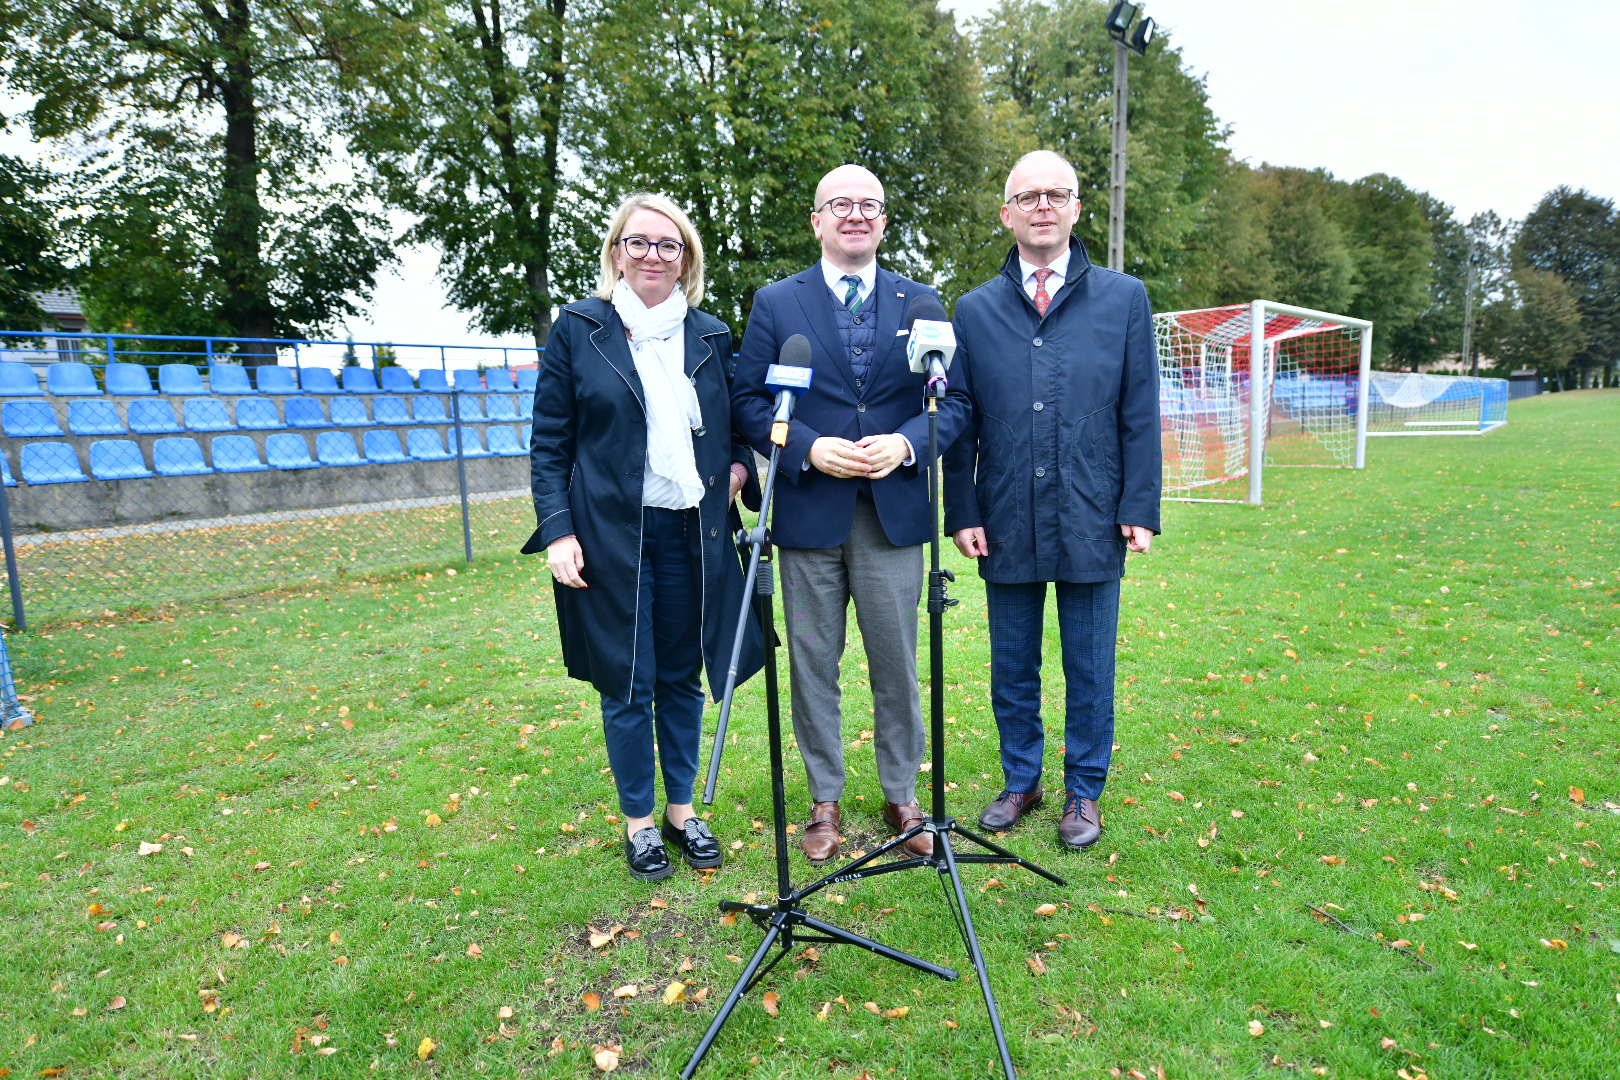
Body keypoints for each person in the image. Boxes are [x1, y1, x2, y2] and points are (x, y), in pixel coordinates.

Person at [732, 164, 972, 864]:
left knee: (897, 663)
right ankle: (824, 800)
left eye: (870, 205)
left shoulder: (922, 299)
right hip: (808, 517)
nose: (856, 215)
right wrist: (806, 448)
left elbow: (952, 402)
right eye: (841, 204)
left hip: (893, 517)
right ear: (817, 220)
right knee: (812, 662)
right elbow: (747, 400)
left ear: (885, 222)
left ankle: (902, 793)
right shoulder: (777, 302)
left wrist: (905, 443)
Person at [523, 192, 764, 882]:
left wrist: (741, 470)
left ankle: (682, 812)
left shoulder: (713, 335)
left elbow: (741, 430)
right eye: (640, 242)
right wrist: (559, 532)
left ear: (686, 257)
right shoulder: (580, 329)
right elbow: (550, 445)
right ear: (616, 252)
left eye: (669, 245)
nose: (654, 255)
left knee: (682, 679)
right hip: (610, 536)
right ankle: (638, 822)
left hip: (694, 534)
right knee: (626, 681)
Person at [943, 150, 1161, 851]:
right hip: (1003, 515)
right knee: (1012, 663)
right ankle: (1021, 779)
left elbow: (1140, 410)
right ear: (1006, 213)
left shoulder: (1124, 299)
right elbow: (959, 419)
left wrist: (1140, 504)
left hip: (1095, 510)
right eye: (1027, 195)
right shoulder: (973, 311)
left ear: (1075, 208)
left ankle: (1084, 792)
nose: (1043, 205)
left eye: (1056, 194)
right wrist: (963, 510)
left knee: (1090, 664)